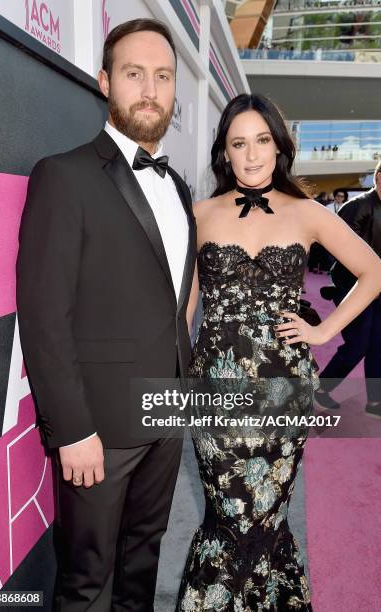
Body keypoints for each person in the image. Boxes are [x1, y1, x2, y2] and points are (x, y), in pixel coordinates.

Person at [16, 18, 196, 611]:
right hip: (97, 433)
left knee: (142, 568)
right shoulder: (64, 176)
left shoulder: (180, 190)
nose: (150, 89)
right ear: (104, 82)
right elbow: (44, 314)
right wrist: (72, 430)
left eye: (163, 76)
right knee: (88, 585)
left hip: (167, 413)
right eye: (134, 74)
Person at [176, 93, 381, 611]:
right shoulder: (199, 215)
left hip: (284, 391)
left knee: (267, 515)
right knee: (225, 518)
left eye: (262, 140)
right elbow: (183, 314)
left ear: (279, 145)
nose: (251, 155)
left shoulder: (308, 212)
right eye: (238, 143)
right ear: (224, 152)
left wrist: (321, 331)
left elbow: (373, 271)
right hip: (216, 396)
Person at [316, 161, 381, 416]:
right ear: (377, 177)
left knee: (378, 343)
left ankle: (375, 401)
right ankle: (320, 389)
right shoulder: (356, 207)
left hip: (377, 288)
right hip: (351, 287)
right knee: (359, 343)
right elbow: (341, 253)